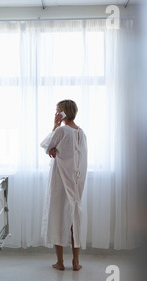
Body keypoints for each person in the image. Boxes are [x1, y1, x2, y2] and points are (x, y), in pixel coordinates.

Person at [40, 100, 88, 271]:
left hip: (60, 180)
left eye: (57, 111)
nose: (55, 113)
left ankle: (60, 262)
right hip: (76, 182)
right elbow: (81, 160)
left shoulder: (61, 130)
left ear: (62, 113)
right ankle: (76, 262)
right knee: (75, 218)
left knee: (58, 216)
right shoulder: (81, 133)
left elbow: (46, 144)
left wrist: (54, 125)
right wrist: (53, 150)